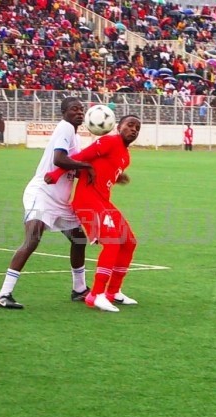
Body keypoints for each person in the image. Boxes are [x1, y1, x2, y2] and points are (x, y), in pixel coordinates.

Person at [0, 97, 95, 309]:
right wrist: (86, 166)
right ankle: (4, 294)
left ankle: (79, 289)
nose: (79, 113)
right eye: (74, 109)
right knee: (32, 239)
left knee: (78, 239)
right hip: (41, 193)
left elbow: (69, 166)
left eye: (81, 110)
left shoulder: (74, 136)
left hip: (59, 201)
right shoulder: (66, 128)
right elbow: (59, 159)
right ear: (64, 113)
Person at [45, 115, 142, 313]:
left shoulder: (126, 155)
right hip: (87, 200)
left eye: (137, 128)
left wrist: (117, 178)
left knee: (129, 242)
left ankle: (112, 293)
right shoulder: (109, 141)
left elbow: (100, 170)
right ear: (118, 126)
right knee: (112, 242)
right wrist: (55, 175)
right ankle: (95, 295)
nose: (134, 130)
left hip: (103, 201)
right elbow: (80, 158)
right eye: (130, 125)